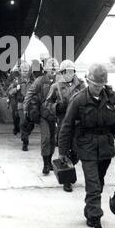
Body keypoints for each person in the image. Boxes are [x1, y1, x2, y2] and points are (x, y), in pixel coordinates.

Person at [58, 63, 115, 228]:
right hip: (87, 147)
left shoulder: (111, 97)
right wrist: (62, 153)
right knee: (93, 185)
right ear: (88, 81)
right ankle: (98, 227)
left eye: (101, 85)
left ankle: (89, 210)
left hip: (106, 148)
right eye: (94, 84)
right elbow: (66, 127)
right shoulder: (79, 99)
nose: (98, 87)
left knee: (98, 183)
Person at [45, 59, 85, 192]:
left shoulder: (81, 85)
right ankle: (67, 180)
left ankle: (69, 168)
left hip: (78, 124)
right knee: (64, 152)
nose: (69, 74)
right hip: (63, 124)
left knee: (76, 153)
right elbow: (47, 104)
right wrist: (57, 107)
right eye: (66, 71)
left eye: (71, 71)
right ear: (61, 72)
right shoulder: (55, 86)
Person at [24, 57, 59, 174]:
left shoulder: (59, 81)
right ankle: (45, 164)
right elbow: (30, 93)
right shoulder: (40, 80)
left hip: (54, 114)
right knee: (46, 138)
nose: (53, 72)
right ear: (46, 70)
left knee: (53, 139)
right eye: (51, 70)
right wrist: (25, 108)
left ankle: (49, 161)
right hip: (43, 114)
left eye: (54, 70)